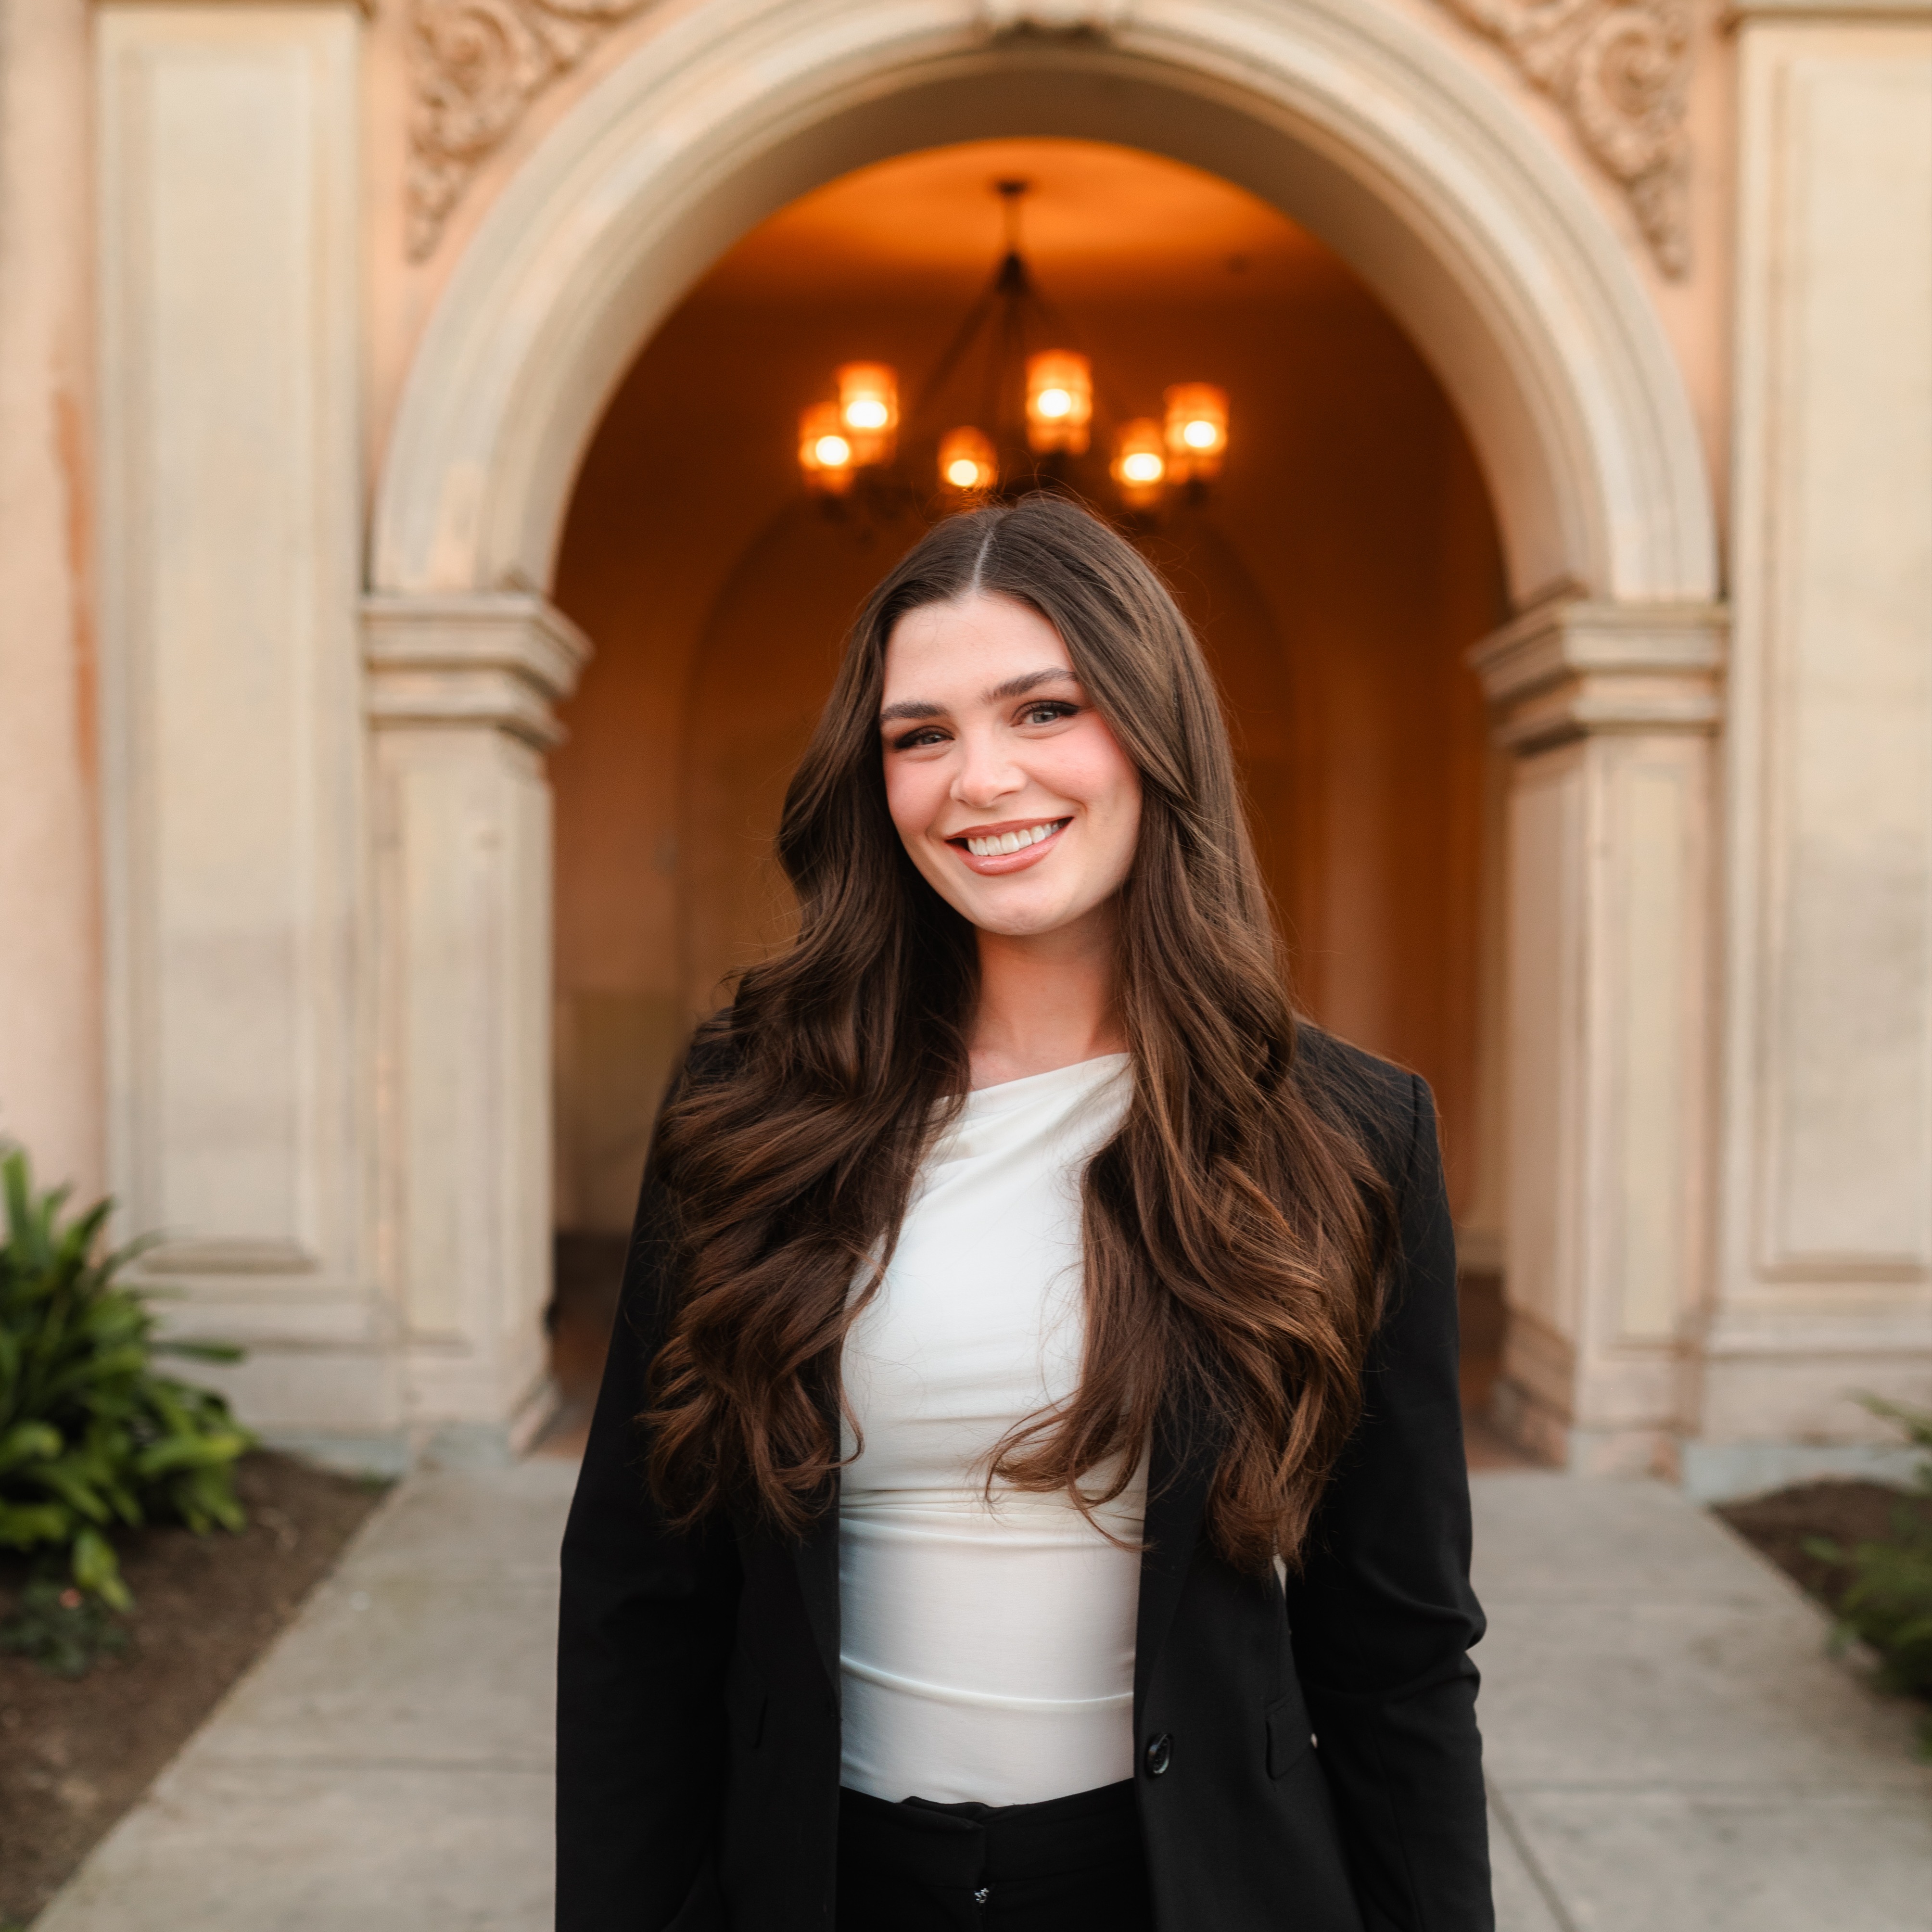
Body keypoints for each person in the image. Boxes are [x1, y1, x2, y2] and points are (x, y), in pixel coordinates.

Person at [557, 495, 1491, 1932]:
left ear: (1152, 732)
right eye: (919, 734)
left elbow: (1400, 1649)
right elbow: (637, 1600)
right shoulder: (750, 1104)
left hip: (1193, 1892)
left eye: (1042, 710)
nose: (977, 780)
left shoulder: (1346, 1136)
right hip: (820, 1886)